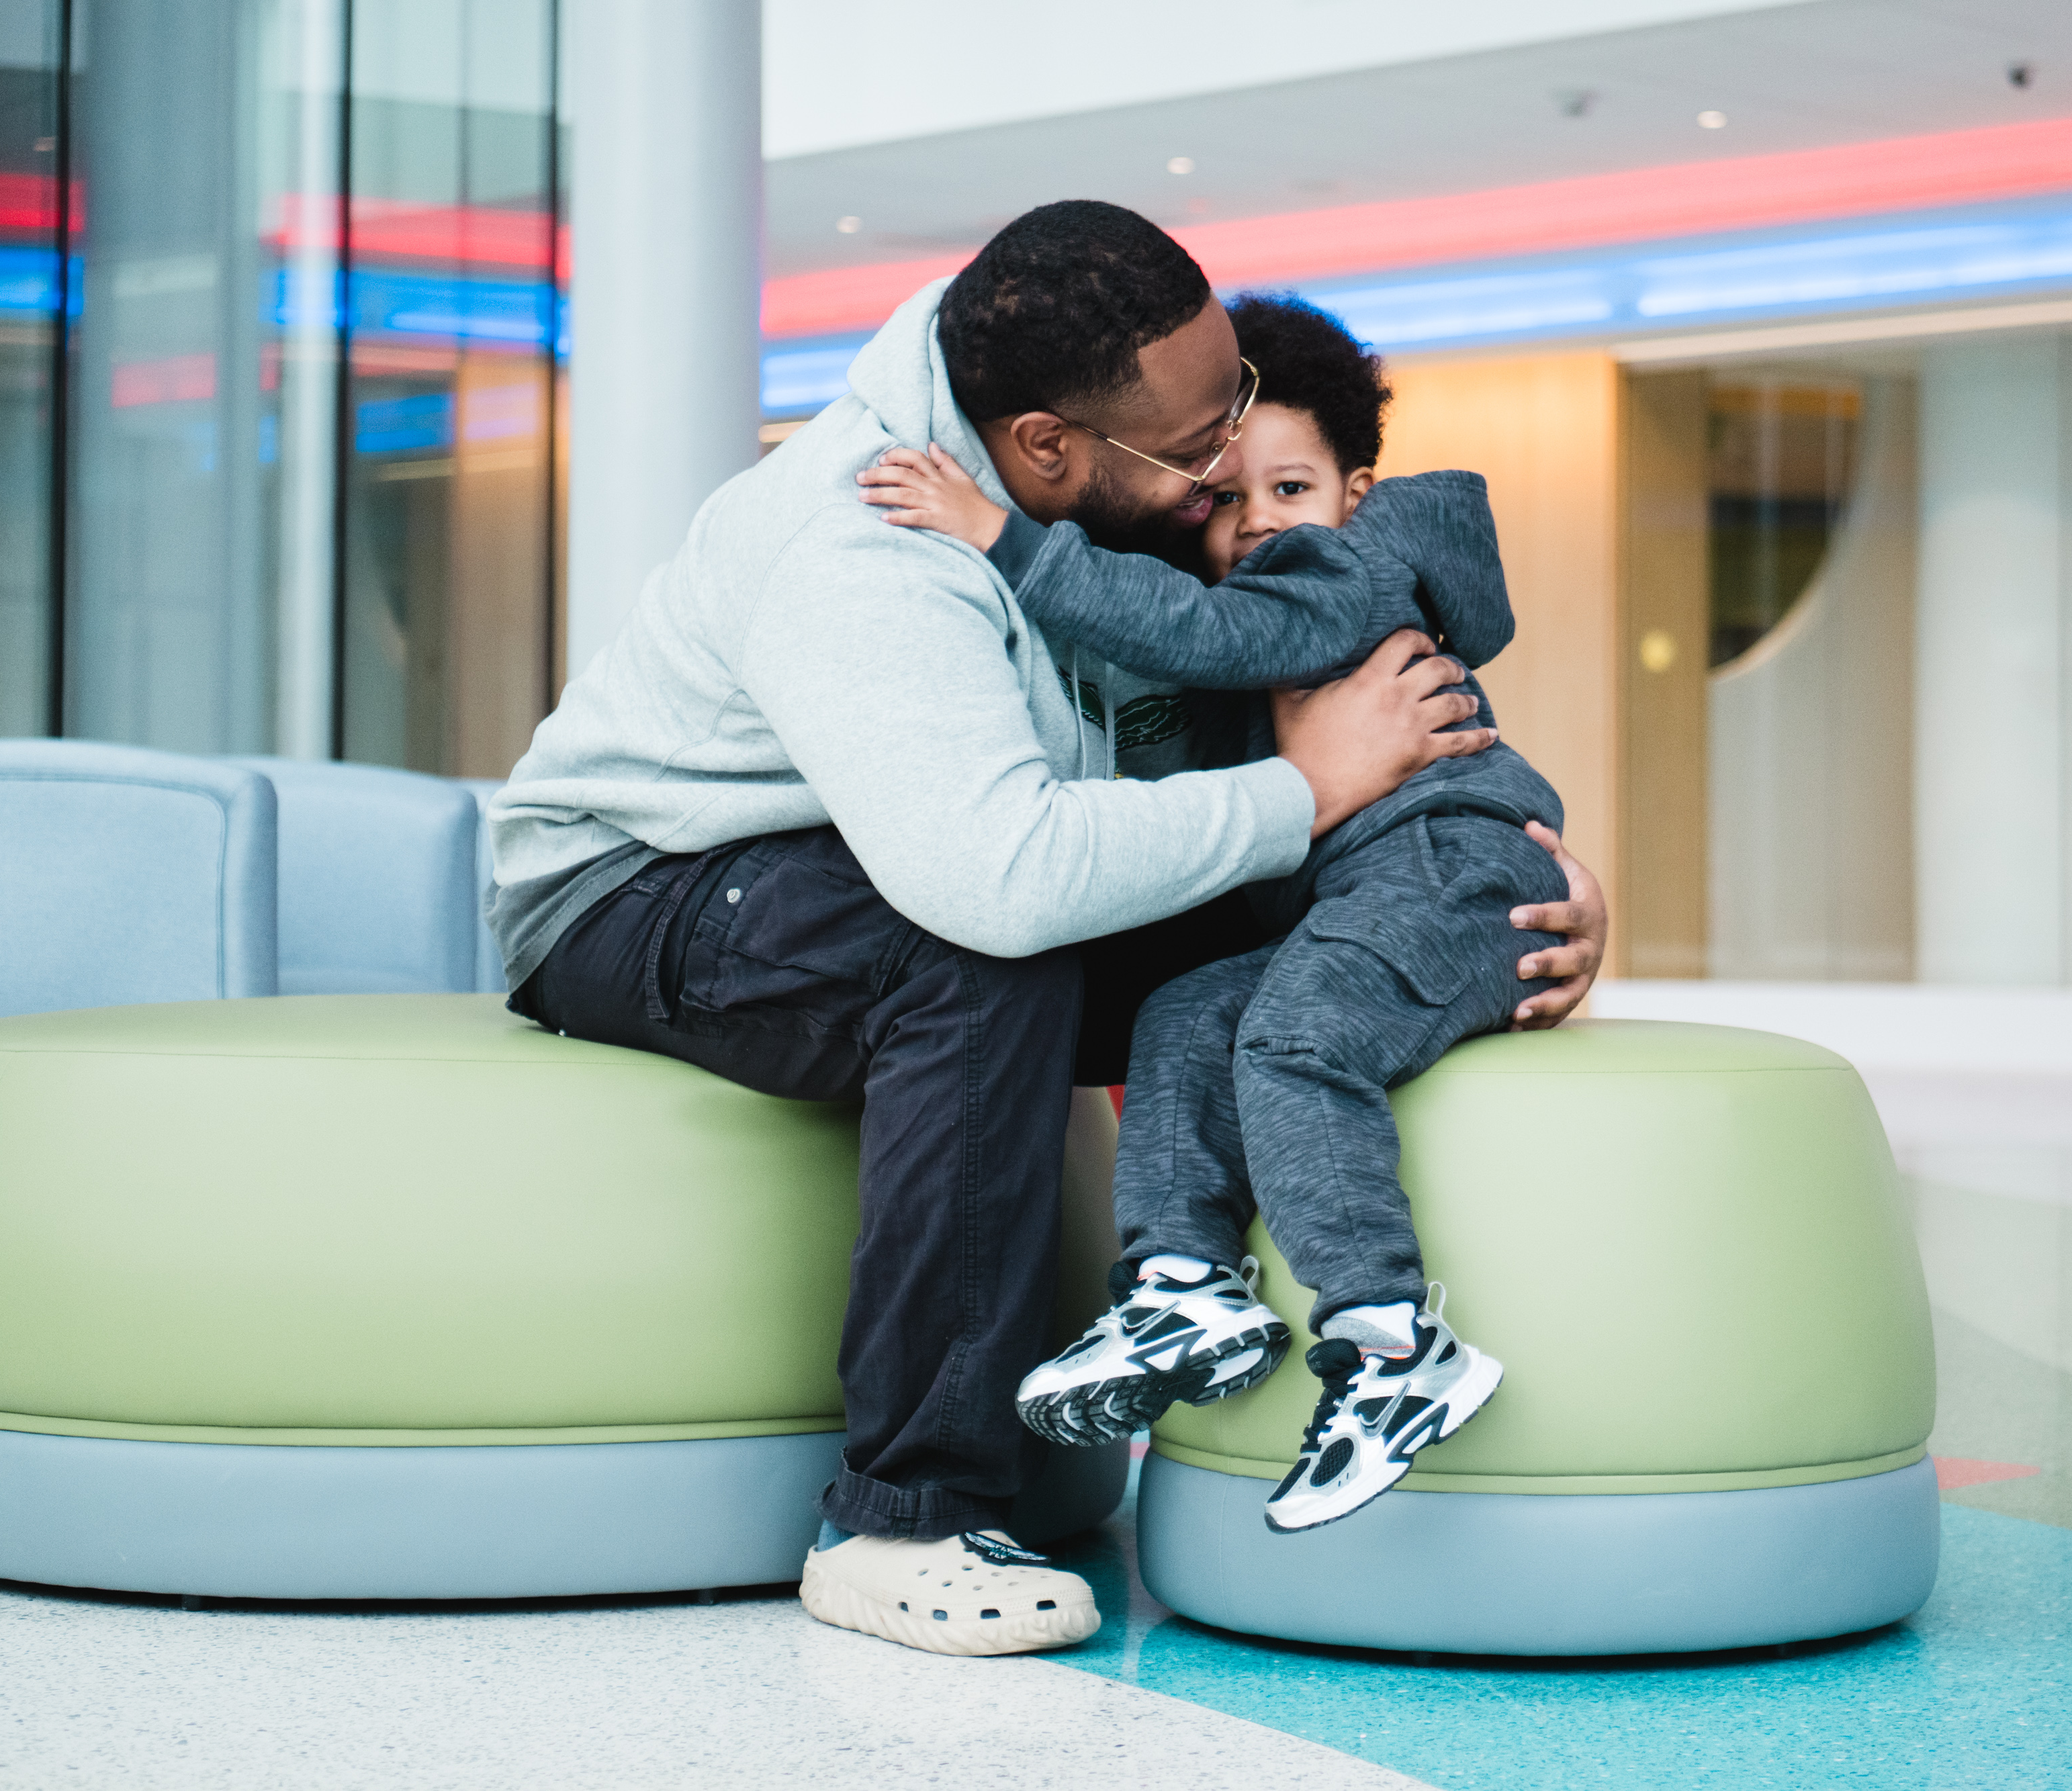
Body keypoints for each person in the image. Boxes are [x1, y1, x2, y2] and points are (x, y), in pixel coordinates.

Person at [489, 203, 1607, 1658]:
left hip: (910, 844)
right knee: (966, 956)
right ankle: (901, 1520)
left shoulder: (1126, 506)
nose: (1229, 468)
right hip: (639, 887)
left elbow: (1220, 832)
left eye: (1241, 415)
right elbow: (997, 879)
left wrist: (1507, 897)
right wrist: (1310, 783)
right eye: (1199, 444)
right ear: (1041, 450)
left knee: (1262, 958)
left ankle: (1182, 1304)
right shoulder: (860, 539)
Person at [857, 293, 1566, 1532]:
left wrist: (997, 539)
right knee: (1188, 1016)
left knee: (1295, 1041)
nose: (1254, 527)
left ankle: (1392, 1346)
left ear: (1357, 488)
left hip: (1452, 874)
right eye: (1225, 499)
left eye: (1288, 488)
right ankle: (1181, 1285)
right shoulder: (1269, 596)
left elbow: (1192, 625)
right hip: (1366, 900)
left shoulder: (1348, 566)